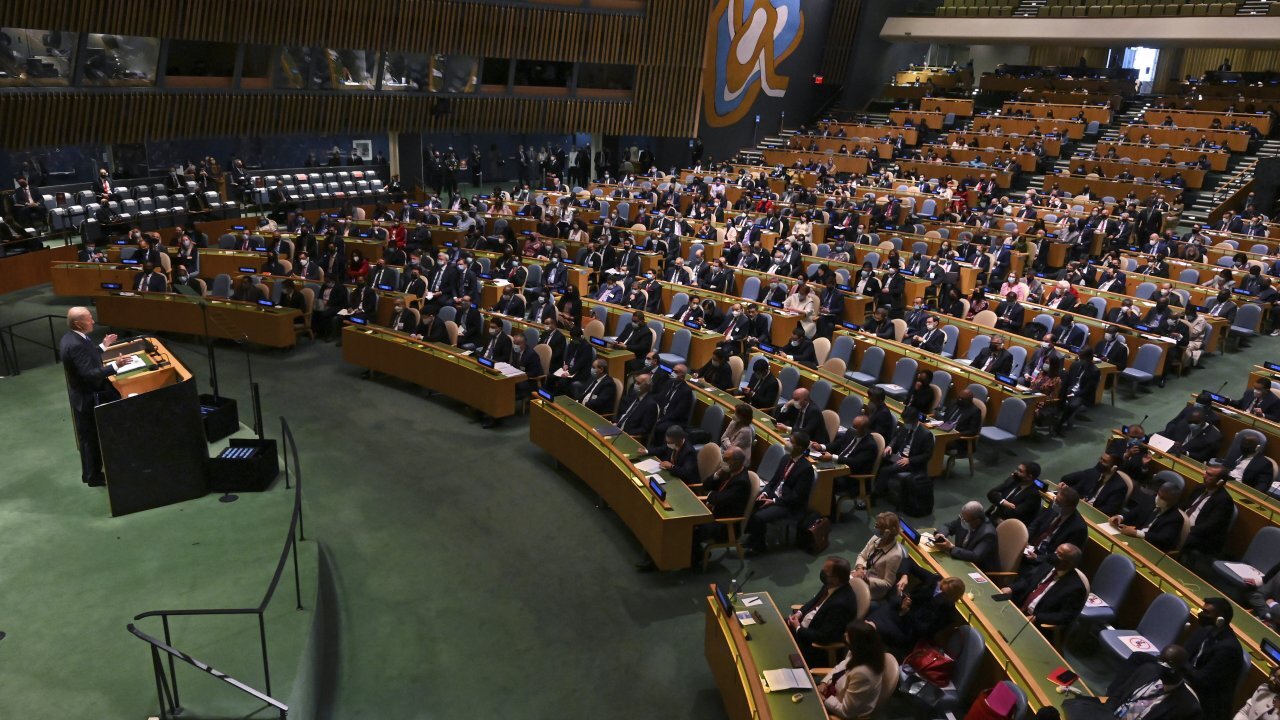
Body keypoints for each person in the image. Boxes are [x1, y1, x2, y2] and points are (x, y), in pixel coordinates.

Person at [60, 307, 120, 487]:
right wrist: (114, 367)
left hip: (81, 395)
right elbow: (89, 373)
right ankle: (93, 476)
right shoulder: (76, 344)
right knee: (90, 439)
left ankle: (90, 474)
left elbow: (86, 357)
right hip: (86, 398)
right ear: (78, 323)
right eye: (89, 319)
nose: (93, 321)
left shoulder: (71, 337)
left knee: (88, 438)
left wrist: (103, 346)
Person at [1062, 646, 1201, 720]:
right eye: (1161, 662)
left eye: (1170, 669)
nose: (1163, 671)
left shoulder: (1188, 707)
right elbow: (1118, 695)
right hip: (1110, 714)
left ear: (1182, 671)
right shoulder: (1147, 669)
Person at [745, 431, 815, 555]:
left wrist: (774, 501)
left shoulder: (806, 468)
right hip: (775, 497)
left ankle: (759, 546)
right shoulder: (785, 458)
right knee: (751, 504)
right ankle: (753, 538)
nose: (787, 443)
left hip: (789, 505)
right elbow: (773, 481)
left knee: (758, 517)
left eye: (791, 441)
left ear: (798, 447)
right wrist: (765, 493)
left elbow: (796, 497)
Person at [787, 556, 860, 667]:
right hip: (803, 627)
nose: (822, 573)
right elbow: (814, 601)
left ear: (836, 578)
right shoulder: (831, 585)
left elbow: (824, 637)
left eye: (825, 572)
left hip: (812, 647)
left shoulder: (840, 605)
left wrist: (798, 628)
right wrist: (799, 613)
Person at [1183, 598, 1244, 720]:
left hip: (1205, 702)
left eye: (1206, 612)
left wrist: (1179, 663)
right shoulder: (1205, 630)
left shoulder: (1228, 649)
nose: (1200, 614)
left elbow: (1202, 681)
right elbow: (1184, 653)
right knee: (1142, 659)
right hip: (1188, 683)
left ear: (1220, 619)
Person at [1009, 542, 1087, 632]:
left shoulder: (1076, 588)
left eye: (1059, 555)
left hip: (1035, 623)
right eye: (1056, 552)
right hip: (1018, 607)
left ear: (1069, 563)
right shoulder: (1048, 564)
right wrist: (1011, 588)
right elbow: (1028, 580)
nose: (1054, 556)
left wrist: (1037, 618)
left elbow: (1064, 616)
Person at [818, 620, 886, 719]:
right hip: (832, 691)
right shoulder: (861, 652)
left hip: (838, 710)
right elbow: (839, 667)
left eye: (848, 634)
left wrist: (824, 699)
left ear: (857, 642)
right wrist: (824, 683)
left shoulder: (863, 674)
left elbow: (846, 712)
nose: (845, 634)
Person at [1109, 482, 1187, 553]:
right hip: (1132, 540)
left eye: (1163, 498)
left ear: (1173, 501)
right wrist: (1120, 517)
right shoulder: (1150, 500)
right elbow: (1134, 512)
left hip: (1149, 548)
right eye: (1158, 494)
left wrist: (1136, 533)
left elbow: (1162, 538)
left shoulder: (1176, 518)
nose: (1158, 498)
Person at [1181, 463, 1236, 558]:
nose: (1204, 476)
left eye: (1209, 475)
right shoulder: (1200, 488)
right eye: (1206, 473)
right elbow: (1185, 506)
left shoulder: (1224, 501)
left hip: (1201, 537)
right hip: (1183, 525)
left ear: (1220, 482)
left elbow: (1209, 526)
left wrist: (1186, 530)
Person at [1024, 485, 1087, 566]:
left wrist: (1038, 558)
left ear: (1071, 507)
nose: (1055, 504)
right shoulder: (1054, 507)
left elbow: (1064, 556)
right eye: (1055, 500)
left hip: (1046, 561)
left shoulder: (1078, 529)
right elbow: (1036, 523)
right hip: (1031, 547)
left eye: (1059, 503)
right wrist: (1026, 539)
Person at [854, 512, 908, 601]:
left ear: (887, 532)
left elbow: (888, 583)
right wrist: (859, 568)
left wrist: (866, 580)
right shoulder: (875, 538)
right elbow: (862, 556)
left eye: (878, 527)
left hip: (872, 588)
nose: (875, 529)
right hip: (861, 575)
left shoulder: (895, 555)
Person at [934, 501, 998, 571]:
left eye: (965, 520)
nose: (962, 521)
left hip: (978, 569)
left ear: (977, 520)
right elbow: (947, 526)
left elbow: (975, 557)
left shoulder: (988, 534)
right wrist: (941, 535)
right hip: (960, 560)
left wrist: (951, 548)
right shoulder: (965, 518)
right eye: (962, 517)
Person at [614, 373, 659, 439]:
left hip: (628, 436)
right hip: (617, 428)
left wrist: (625, 433)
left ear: (647, 386)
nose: (635, 385)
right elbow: (624, 413)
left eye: (638, 383)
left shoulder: (651, 405)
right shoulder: (634, 395)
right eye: (635, 382)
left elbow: (644, 429)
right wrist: (617, 423)